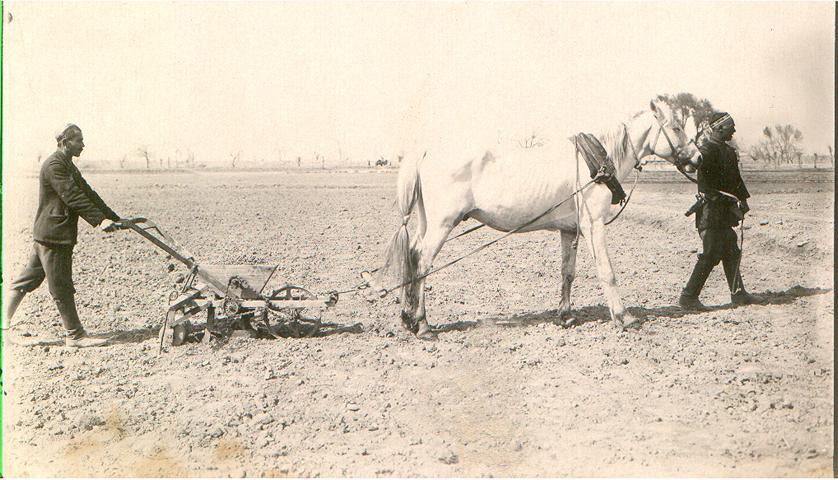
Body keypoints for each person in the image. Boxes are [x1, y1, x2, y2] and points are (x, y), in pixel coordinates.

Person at [3, 124, 126, 347]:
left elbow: (87, 192)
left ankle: (2, 327)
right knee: (61, 286)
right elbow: (72, 195)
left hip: (48, 234)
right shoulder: (54, 165)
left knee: (26, 281)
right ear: (66, 142)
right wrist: (99, 221)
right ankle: (75, 335)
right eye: (79, 140)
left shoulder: (67, 164)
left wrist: (113, 217)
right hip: (54, 236)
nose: (83, 145)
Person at [678, 112, 763, 310]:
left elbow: (736, 180)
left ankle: (738, 294)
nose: (734, 130)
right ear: (719, 128)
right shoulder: (705, 151)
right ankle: (688, 298)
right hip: (710, 211)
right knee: (710, 252)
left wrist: (742, 200)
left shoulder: (728, 151)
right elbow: (702, 182)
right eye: (731, 127)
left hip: (724, 211)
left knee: (731, 250)